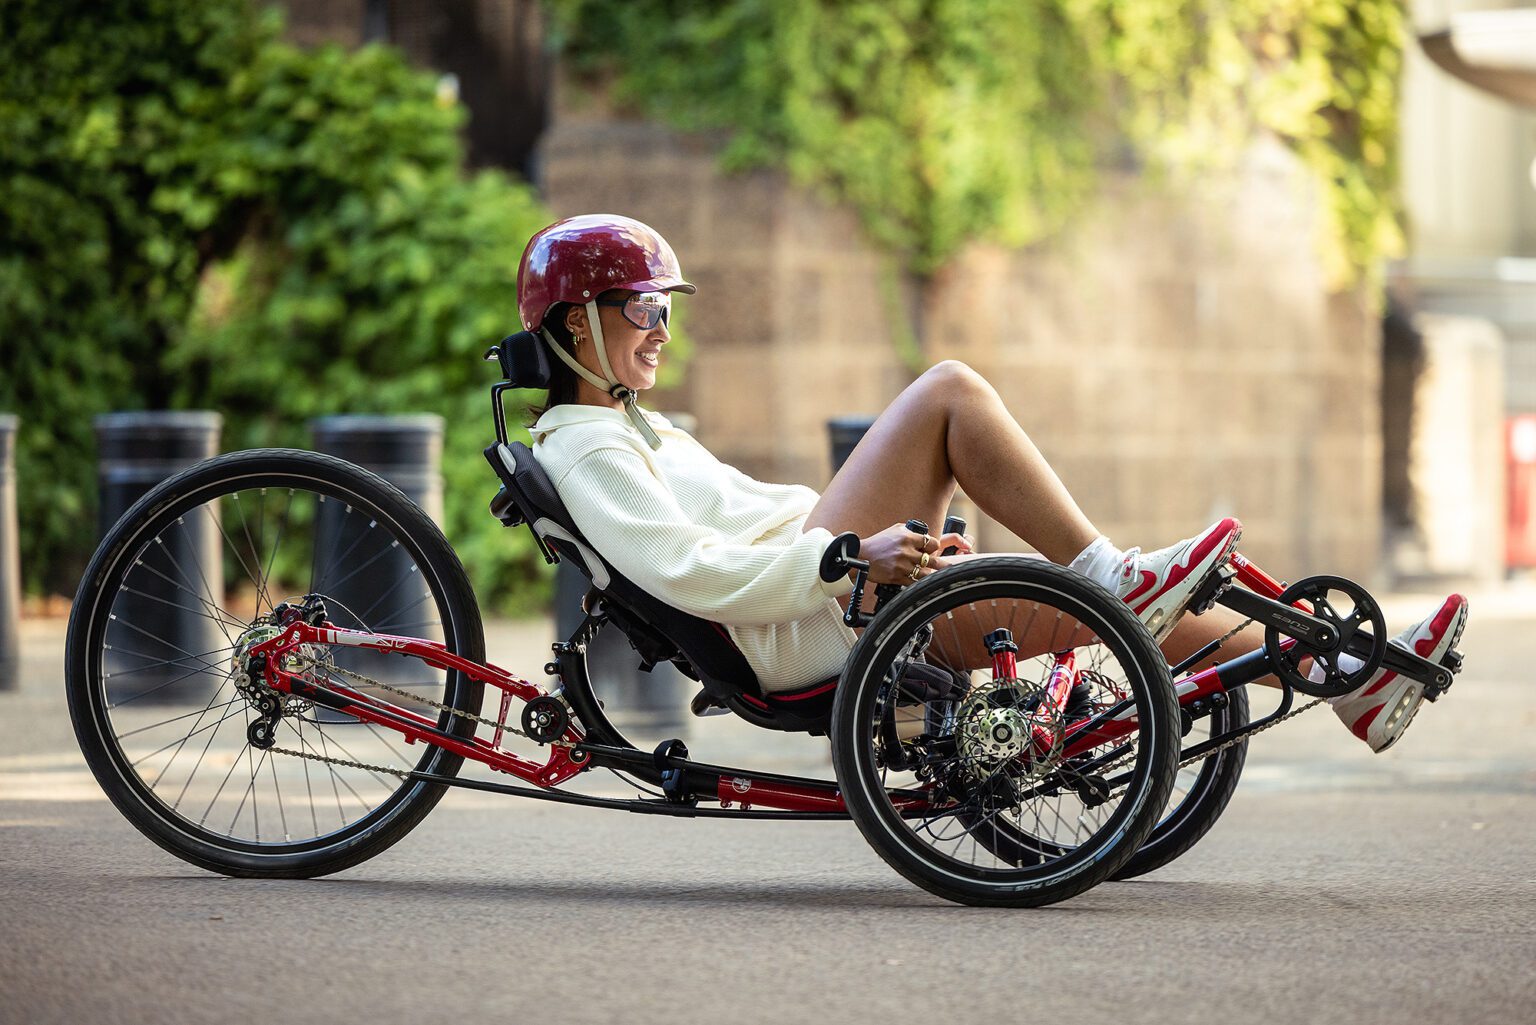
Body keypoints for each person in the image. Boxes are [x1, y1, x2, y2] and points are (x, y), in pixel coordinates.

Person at [519, 214, 1467, 754]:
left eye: (664, 309)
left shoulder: (629, 428)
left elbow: (735, 531)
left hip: (816, 596)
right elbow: (690, 569)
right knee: (949, 392)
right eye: (640, 307)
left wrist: (871, 549)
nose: (660, 329)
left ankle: (1354, 671)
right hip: (797, 624)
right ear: (573, 323)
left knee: (1106, 605)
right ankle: (1117, 573)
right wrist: (847, 557)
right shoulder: (592, 452)